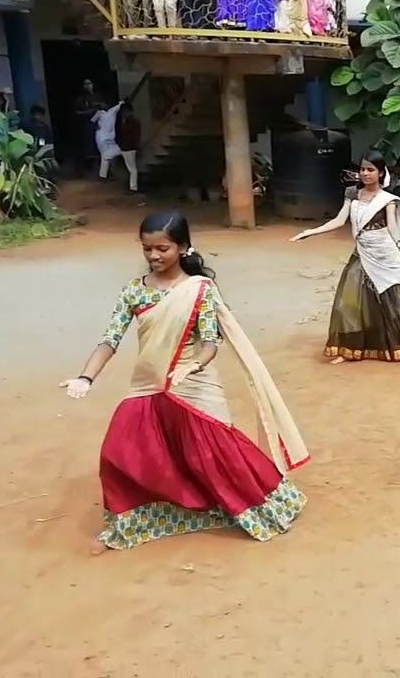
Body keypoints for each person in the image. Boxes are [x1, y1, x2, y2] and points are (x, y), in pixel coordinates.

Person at [60, 211, 310, 553]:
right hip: (149, 386)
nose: (153, 256)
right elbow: (110, 338)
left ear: (183, 248)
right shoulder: (134, 291)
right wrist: (86, 377)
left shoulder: (199, 290)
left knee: (212, 455)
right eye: (147, 249)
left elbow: (210, 341)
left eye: (162, 248)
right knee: (119, 455)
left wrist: (192, 366)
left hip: (192, 386)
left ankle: (262, 510)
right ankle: (131, 524)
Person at [290, 150, 400, 364]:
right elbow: (339, 220)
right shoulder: (353, 193)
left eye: (370, 170)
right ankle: (349, 349)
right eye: (363, 169)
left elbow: (392, 227)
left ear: (381, 173)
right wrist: (311, 232)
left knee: (399, 299)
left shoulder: (387, 200)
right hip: (362, 254)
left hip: (384, 254)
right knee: (350, 301)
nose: (365, 173)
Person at [93, 98, 124, 183]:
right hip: (101, 138)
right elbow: (92, 121)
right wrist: (97, 127)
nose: (102, 105)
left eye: (103, 103)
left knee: (107, 156)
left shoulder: (112, 111)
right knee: (105, 156)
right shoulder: (99, 113)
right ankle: (106, 175)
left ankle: (105, 175)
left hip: (110, 138)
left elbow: (121, 104)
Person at [113, 103, 141, 193]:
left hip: (128, 147)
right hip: (126, 147)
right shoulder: (128, 121)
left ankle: (133, 187)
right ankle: (132, 186)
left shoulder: (131, 122)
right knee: (131, 168)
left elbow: (132, 136)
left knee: (132, 168)